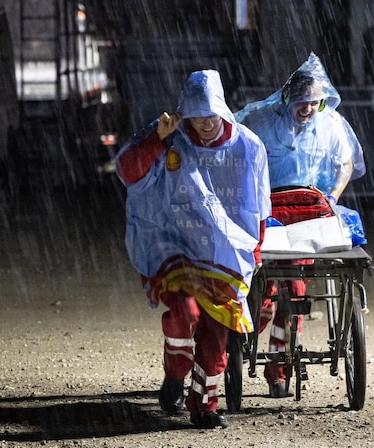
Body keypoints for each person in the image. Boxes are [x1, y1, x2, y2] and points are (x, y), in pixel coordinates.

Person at [115, 70, 271, 429]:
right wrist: (157, 139)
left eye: (209, 113)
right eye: (195, 114)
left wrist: (256, 248)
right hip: (176, 246)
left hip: (224, 254)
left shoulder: (248, 146)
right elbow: (128, 171)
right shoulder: (169, 137)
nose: (202, 123)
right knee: (184, 313)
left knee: (217, 332)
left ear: (221, 110)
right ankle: (176, 371)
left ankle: (204, 405)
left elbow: (259, 204)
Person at [235, 52, 366, 398]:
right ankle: (245, 338)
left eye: (315, 103)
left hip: (309, 213)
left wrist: (333, 198)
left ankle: (278, 367)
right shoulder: (262, 122)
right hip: (271, 212)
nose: (308, 109)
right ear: (289, 98)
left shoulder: (331, 126)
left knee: (295, 292)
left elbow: (346, 163)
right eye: (303, 102)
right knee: (263, 296)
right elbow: (239, 152)